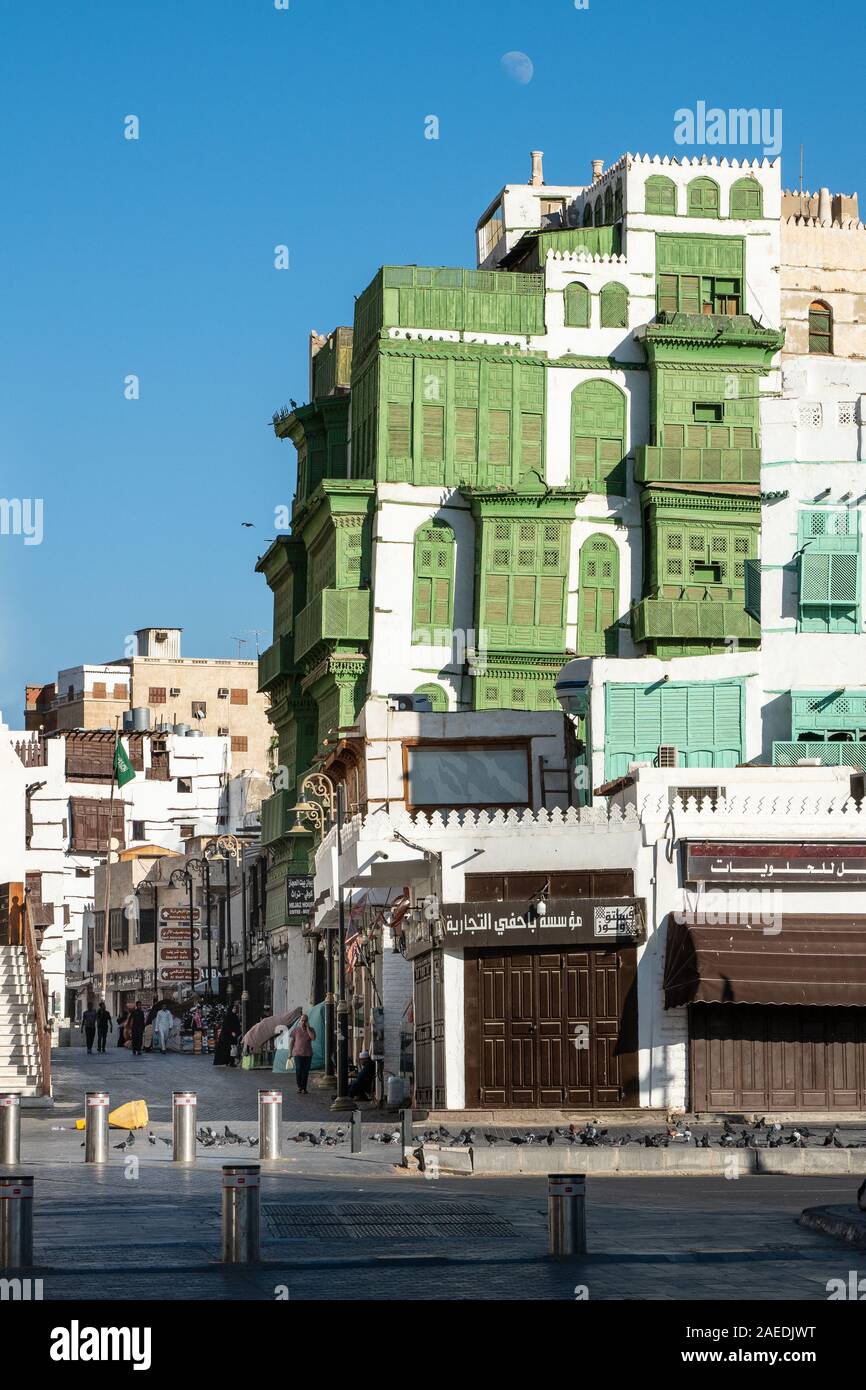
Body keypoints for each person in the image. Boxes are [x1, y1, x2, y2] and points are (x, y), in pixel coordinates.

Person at [290, 1013, 316, 1094]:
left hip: (308, 1054)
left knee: (305, 1071)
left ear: (307, 1021)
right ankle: (299, 1086)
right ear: (299, 1021)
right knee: (299, 1070)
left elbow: (313, 1038)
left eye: (305, 1021)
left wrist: (308, 1028)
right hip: (297, 1054)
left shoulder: (311, 1029)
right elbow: (291, 1042)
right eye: (302, 1020)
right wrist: (289, 1053)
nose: (303, 1022)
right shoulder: (295, 1030)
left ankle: (304, 1088)